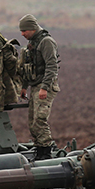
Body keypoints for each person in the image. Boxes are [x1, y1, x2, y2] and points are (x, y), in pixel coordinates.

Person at [17, 14, 60, 161]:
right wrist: (24, 86)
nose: (22, 34)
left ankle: (45, 152)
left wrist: (45, 87)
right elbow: (29, 67)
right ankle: (39, 149)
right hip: (35, 85)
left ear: (33, 28)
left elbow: (52, 66)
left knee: (40, 120)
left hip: (44, 86)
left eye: (24, 31)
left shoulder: (46, 42)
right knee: (32, 121)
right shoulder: (32, 43)